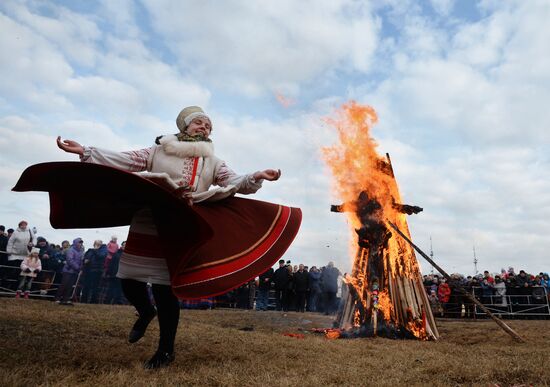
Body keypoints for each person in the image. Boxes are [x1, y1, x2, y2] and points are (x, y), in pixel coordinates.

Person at [51, 105, 298, 369]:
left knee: (165, 289)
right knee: (129, 281)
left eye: (208, 126)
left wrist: (256, 176)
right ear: (185, 127)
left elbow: (233, 181)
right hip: (148, 219)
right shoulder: (158, 150)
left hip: (181, 224)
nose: (204, 128)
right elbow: (126, 160)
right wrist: (87, 151)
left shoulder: (212, 161)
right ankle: (146, 312)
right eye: (199, 123)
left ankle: (165, 351)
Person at [6, 221, 36, 289]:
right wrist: (9, 251)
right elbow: (10, 241)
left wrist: (33, 244)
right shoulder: (16, 232)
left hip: (25, 255)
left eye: (25, 224)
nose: (24, 226)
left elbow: (34, 238)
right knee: (12, 271)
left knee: (20, 273)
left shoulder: (29, 231)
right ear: (19, 225)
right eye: (22, 225)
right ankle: (8, 286)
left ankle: (15, 288)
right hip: (14, 255)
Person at [57, 238, 84, 305]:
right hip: (68, 270)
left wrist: (81, 267)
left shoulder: (81, 252)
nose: (80, 244)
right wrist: (77, 267)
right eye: (79, 242)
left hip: (75, 271)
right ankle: (57, 298)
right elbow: (70, 260)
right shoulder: (70, 250)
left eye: (81, 243)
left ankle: (66, 299)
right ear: (75, 243)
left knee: (70, 286)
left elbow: (81, 260)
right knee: (64, 284)